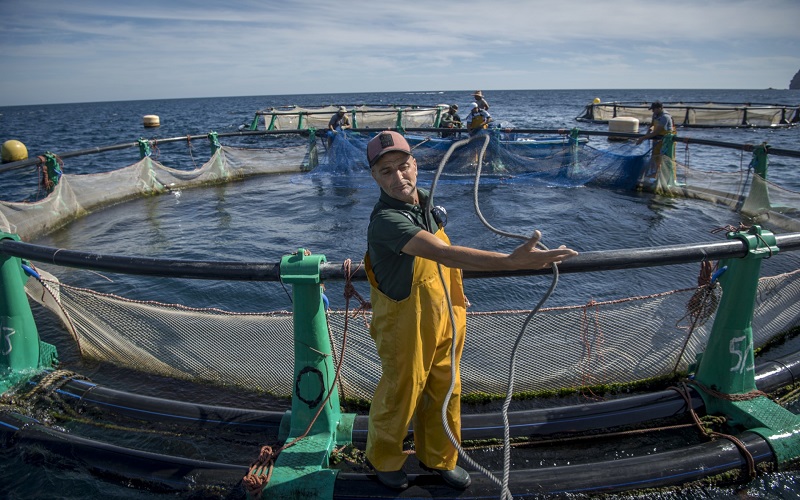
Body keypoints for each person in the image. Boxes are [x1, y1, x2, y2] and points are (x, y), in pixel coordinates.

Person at [364, 131, 578, 491]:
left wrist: (457, 296)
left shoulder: (425, 205)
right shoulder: (386, 221)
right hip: (405, 324)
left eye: (403, 166)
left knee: (447, 389)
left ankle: (438, 457)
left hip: (445, 317)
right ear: (375, 177)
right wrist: (512, 262)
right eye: (387, 171)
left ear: (416, 164)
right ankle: (383, 458)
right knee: (401, 391)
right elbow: (444, 253)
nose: (399, 177)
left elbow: (443, 265)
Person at [635, 101, 676, 181]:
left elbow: (657, 131)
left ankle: (664, 178)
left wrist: (643, 138)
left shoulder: (665, 117)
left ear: (660, 108)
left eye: (654, 109)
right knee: (655, 158)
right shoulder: (655, 115)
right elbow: (652, 125)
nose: (653, 111)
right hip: (656, 140)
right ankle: (654, 176)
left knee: (664, 159)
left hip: (666, 141)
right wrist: (647, 132)